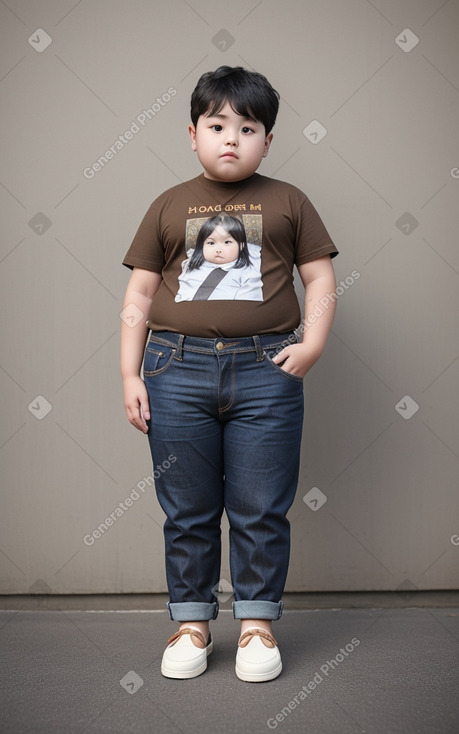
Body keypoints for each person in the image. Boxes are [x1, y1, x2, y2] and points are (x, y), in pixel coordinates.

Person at [121, 65, 338, 682]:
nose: (231, 138)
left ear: (267, 140)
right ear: (193, 133)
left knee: (260, 504)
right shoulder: (168, 204)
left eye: (248, 128)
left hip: (267, 369)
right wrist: (129, 374)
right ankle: (191, 622)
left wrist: (313, 344)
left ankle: (256, 626)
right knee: (187, 506)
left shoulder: (289, 200)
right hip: (175, 367)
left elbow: (320, 278)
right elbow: (139, 293)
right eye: (217, 125)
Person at [175, 213, 263, 302]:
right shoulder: (191, 263)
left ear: (241, 246)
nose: (218, 249)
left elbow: (249, 300)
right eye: (211, 243)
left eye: (227, 242)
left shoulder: (247, 270)